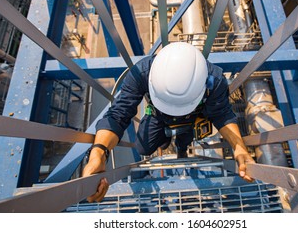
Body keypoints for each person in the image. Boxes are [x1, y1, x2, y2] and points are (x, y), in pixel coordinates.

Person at [83, 42, 255, 202]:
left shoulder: (214, 80)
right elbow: (118, 115)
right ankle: (165, 141)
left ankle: (181, 150)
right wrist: (98, 154)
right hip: (158, 115)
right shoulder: (141, 73)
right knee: (144, 147)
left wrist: (239, 147)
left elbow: (222, 115)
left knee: (183, 142)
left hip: (191, 118)